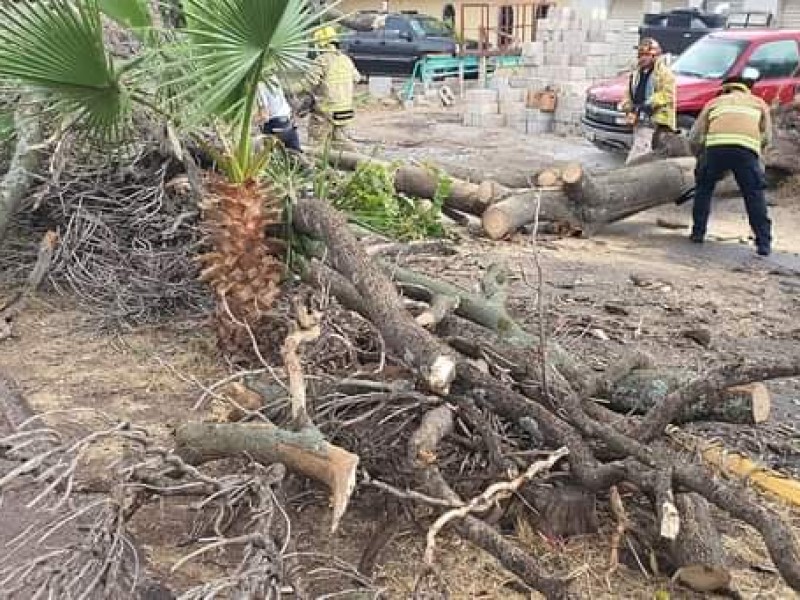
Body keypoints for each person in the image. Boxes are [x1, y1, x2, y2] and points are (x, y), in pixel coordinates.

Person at [688, 68, 773, 256]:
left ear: (725, 89)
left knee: (704, 188)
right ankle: (764, 243)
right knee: (754, 195)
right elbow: (767, 137)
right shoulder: (759, 103)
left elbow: (695, 137)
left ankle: (697, 233)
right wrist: (754, 152)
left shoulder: (714, 103)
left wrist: (700, 158)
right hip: (746, 151)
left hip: (715, 150)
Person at [620, 38, 676, 165]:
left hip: (655, 120)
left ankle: (628, 174)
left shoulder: (664, 74)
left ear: (655, 56)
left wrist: (648, 103)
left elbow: (668, 95)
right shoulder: (636, 74)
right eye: (640, 55)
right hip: (638, 118)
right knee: (646, 151)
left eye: (646, 55)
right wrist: (627, 106)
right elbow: (629, 93)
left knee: (639, 153)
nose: (642, 58)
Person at [308, 26, 362, 144]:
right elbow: (357, 78)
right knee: (340, 147)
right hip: (345, 112)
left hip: (325, 113)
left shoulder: (321, 60)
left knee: (316, 147)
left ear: (320, 44)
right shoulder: (346, 59)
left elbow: (308, 84)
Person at [256, 77, 302, 154]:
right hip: (289, 125)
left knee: (269, 158)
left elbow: (265, 116)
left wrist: (251, 121)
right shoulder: (274, 78)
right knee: (296, 156)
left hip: (275, 127)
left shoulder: (260, 85)